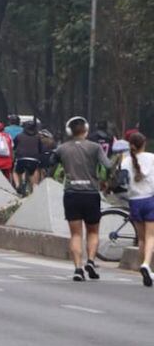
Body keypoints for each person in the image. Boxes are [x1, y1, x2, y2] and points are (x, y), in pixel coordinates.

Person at [52, 116, 110, 282]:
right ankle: (91, 261)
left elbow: (51, 162)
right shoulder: (95, 147)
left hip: (71, 194)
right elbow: (107, 165)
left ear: (69, 131)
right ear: (86, 129)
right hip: (91, 194)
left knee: (76, 234)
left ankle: (78, 268)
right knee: (93, 231)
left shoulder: (62, 148)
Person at [119, 132, 154, 287]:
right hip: (150, 199)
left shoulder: (126, 161)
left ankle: (144, 268)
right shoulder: (151, 158)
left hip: (134, 202)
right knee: (151, 237)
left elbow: (122, 183)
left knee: (141, 239)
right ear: (144, 143)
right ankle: (147, 264)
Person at [12, 120, 44, 189]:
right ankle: (35, 187)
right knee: (33, 172)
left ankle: (18, 185)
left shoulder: (19, 136)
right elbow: (41, 149)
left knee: (16, 172)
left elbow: (14, 146)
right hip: (34, 159)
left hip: (21, 158)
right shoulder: (38, 137)